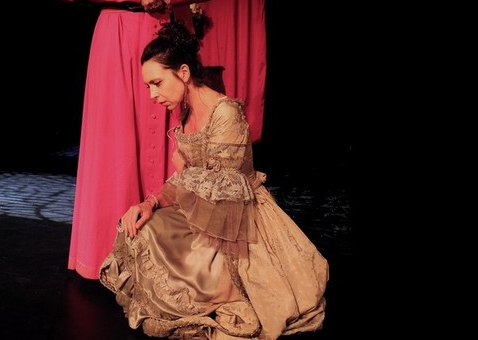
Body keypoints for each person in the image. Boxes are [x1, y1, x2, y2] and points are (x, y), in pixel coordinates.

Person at [54, 0, 235, 279]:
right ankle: (110, 251)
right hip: (117, 33)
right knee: (115, 136)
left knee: (176, 133)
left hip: (171, 33)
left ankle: (174, 255)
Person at [100, 21, 329, 340]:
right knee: (141, 229)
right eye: (149, 86)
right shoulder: (185, 111)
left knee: (194, 272)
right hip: (203, 212)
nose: (153, 94)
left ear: (182, 72)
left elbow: (226, 191)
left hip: (237, 225)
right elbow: (187, 181)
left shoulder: (226, 113)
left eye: (157, 83)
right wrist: (150, 203)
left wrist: (184, 170)